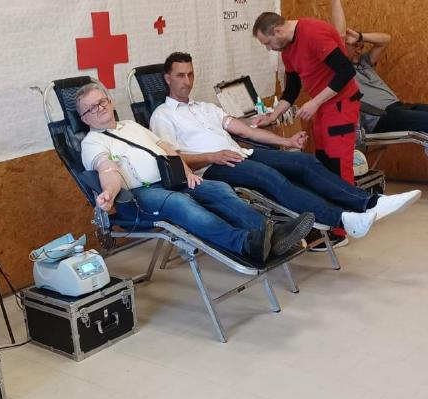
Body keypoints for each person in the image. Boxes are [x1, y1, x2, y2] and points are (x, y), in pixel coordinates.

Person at [149, 52, 421, 248]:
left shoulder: (206, 107)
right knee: (271, 178)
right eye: (180, 75)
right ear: (167, 78)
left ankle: (370, 202)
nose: (187, 81)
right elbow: (172, 159)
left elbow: (247, 131)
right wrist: (212, 156)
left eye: (191, 74)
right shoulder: (162, 116)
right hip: (213, 167)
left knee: (304, 162)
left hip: (241, 154)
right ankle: (341, 219)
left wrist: (286, 142)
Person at [76, 83, 314, 264]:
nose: (100, 108)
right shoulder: (92, 142)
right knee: (180, 203)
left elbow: (166, 148)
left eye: (102, 102)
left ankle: (273, 236)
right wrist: (109, 192)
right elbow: (107, 169)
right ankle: (244, 243)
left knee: (218, 189)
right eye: (91, 108)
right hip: (138, 197)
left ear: (110, 102)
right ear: (84, 118)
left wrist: (187, 171)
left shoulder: (130, 125)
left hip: (171, 180)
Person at [252, 12, 361, 185]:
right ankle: (330, 201)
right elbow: (292, 89)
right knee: (323, 159)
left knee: (338, 163)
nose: (269, 48)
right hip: (322, 106)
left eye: (267, 43)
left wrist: (315, 102)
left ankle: (351, 200)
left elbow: (346, 71)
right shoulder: (286, 50)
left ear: (278, 31)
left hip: (341, 103)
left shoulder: (313, 33)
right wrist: (272, 116)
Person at [331, 0, 428, 134]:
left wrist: (360, 36)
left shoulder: (365, 61)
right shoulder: (339, 69)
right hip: (380, 116)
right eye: (354, 45)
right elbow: (339, 36)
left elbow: (385, 40)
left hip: (399, 107)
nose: (359, 49)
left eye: (360, 46)